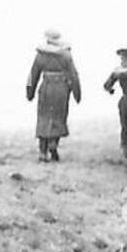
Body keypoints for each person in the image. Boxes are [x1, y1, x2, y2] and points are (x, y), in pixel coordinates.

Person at [26, 29, 81, 162]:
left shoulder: (40, 55)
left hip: (46, 87)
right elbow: (74, 75)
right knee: (58, 117)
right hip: (61, 89)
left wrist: (30, 92)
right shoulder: (66, 55)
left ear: (47, 39)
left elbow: (33, 75)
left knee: (43, 118)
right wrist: (77, 93)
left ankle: (42, 152)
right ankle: (53, 144)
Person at [103, 47, 127, 157]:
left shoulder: (117, 70)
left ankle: (126, 148)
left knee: (125, 126)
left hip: (125, 99)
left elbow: (107, 86)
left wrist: (111, 91)